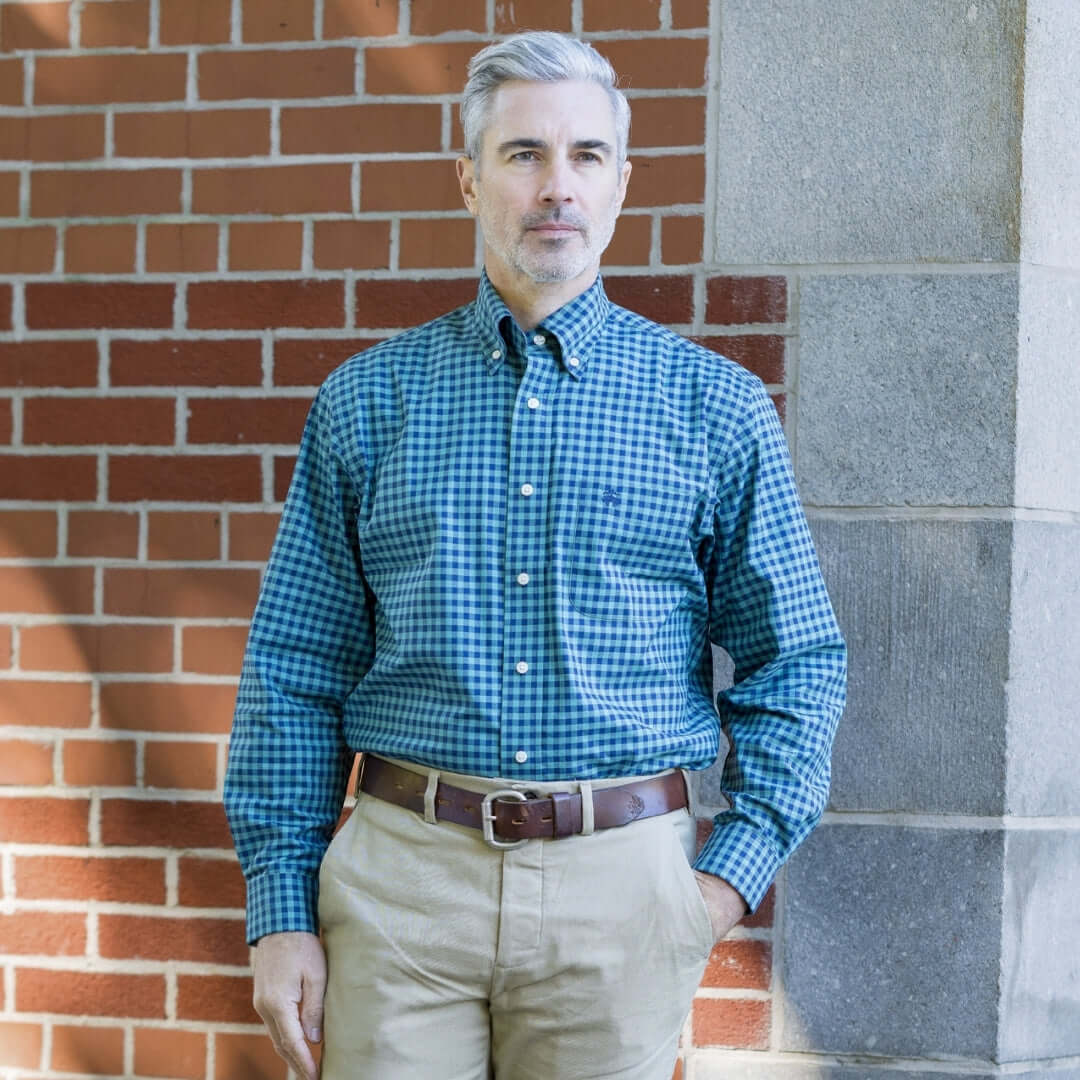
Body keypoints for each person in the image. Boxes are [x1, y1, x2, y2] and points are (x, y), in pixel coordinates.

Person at [224, 30, 846, 1080]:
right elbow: (294, 665)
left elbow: (799, 662)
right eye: (523, 155)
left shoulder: (716, 410)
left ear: (621, 185)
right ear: (470, 180)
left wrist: (719, 885)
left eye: (586, 156)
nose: (557, 186)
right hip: (400, 893)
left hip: (623, 895)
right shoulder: (368, 404)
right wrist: (280, 906)